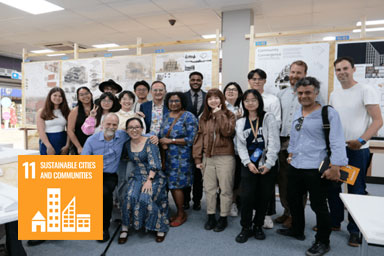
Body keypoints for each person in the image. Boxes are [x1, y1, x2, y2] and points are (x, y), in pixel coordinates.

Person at [276, 77, 348, 256]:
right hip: (296, 165)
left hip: (316, 167)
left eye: (308, 92)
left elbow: (337, 140)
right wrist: (290, 155)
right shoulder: (299, 112)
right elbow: (295, 135)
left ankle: (323, 241)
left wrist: (336, 166)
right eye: (300, 93)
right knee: (294, 200)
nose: (304, 96)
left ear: (316, 93)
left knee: (318, 205)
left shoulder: (328, 113)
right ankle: (297, 230)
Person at [329, 56, 383, 247]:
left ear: (353, 69)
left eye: (345, 68)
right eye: (338, 70)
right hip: (338, 150)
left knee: (356, 189)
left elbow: (378, 121)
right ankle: (334, 222)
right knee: (333, 187)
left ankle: (355, 231)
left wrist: (361, 141)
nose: (342, 72)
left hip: (357, 150)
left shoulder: (365, 90)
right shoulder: (334, 95)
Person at [234, 89, 280, 243]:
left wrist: (268, 164)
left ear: (259, 101)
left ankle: (258, 226)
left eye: (254, 99)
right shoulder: (240, 122)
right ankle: (245, 227)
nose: (250, 103)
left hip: (267, 164)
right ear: (243, 103)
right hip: (249, 165)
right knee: (246, 197)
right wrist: (247, 163)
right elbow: (240, 146)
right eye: (247, 100)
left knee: (264, 196)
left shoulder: (268, 117)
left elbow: (274, 142)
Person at [119, 117, 169, 244]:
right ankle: (125, 227)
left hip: (154, 176)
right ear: (127, 130)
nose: (134, 130)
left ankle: (159, 226)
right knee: (129, 197)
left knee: (144, 198)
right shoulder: (126, 144)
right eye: (131, 127)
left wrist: (149, 180)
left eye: (137, 127)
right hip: (137, 175)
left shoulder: (150, 142)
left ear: (142, 129)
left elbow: (155, 164)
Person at [193, 88, 236, 232]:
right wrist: (198, 158)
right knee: (209, 189)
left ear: (221, 99)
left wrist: (218, 114)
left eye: (216, 98)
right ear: (207, 101)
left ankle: (223, 217)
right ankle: (211, 216)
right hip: (208, 157)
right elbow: (199, 138)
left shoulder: (230, 114)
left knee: (225, 189)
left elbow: (227, 132)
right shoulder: (203, 117)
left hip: (225, 156)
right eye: (210, 98)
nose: (213, 101)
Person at [82, 113, 129, 242]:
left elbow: (137, 134)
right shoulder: (92, 140)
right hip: (92, 173)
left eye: (114, 124)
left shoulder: (122, 136)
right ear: (102, 125)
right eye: (108, 124)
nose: (111, 127)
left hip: (109, 175)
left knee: (104, 193)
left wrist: (152, 136)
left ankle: (103, 228)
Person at [276, 60, 310, 228]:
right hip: (282, 142)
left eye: (299, 73)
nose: (295, 76)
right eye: (293, 72)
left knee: (297, 182)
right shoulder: (281, 94)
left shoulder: (311, 93)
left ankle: (296, 215)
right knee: (283, 180)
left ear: (305, 75)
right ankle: (286, 211)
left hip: (300, 144)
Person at [248, 69, 281, 228]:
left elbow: (277, 123)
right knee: (252, 183)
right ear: (249, 81)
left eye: (260, 79)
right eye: (254, 79)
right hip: (250, 149)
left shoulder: (273, 100)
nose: (257, 81)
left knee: (267, 184)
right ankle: (253, 212)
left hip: (267, 147)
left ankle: (267, 214)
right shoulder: (246, 98)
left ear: (265, 81)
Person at [159, 92, 198, 227]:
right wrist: (163, 142)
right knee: (169, 185)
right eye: (171, 101)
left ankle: (181, 214)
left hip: (181, 158)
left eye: (176, 101)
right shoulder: (166, 116)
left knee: (177, 186)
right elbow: (161, 134)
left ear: (182, 102)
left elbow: (192, 138)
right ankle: (176, 211)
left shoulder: (188, 116)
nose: (173, 103)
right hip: (166, 157)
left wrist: (171, 141)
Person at [183, 71, 206, 210]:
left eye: (198, 79)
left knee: (198, 173)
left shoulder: (208, 96)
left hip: (202, 140)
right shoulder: (183, 97)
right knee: (186, 172)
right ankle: (185, 200)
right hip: (185, 140)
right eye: (193, 80)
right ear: (189, 81)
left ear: (202, 81)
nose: (195, 82)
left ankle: (197, 200)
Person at [223, 82, 244, 217]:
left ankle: (236, 201)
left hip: (241, 149)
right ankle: (228, 203)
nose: (231, 92)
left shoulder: (244, 105)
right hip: (225, 148)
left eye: (234, 90)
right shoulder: (220, 107)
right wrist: (234, 117)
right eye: (228, 89)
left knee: (239, 178)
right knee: (227, 179)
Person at [36, 87, 70, 156]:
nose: (57, 98)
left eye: (60, 96)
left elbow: (70, 130)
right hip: (47, 140)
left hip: (62, 139)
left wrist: (67, 145)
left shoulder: (66, 111)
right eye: (55, 95)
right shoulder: (42, 111)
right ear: (50, 96)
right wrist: (48, 146)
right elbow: (41, 131)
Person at [67, 86, 93, 155]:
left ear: (91, 94)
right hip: (80, 143)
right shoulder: (75, 111)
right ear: (78, 97)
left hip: (95, 143)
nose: (85, 96)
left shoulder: (97, 108)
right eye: (81, 95)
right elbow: (70, 130)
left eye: (87, 93)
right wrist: (78, 147)